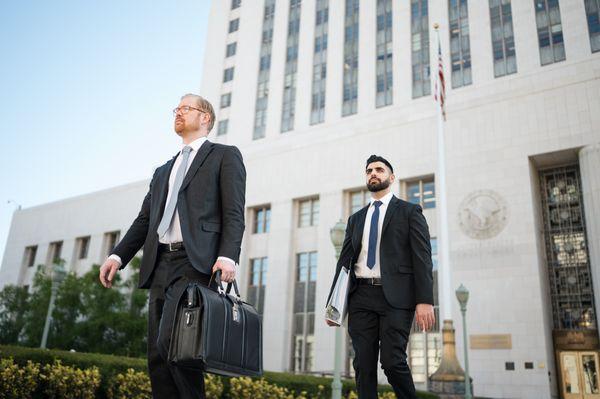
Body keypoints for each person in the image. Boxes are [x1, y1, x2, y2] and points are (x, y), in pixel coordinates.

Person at [99, 94, 246, 398]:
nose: (178, 113)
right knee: (157, 354)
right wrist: (117, 255)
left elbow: (234, 212)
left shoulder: (224, 155)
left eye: (185, 108)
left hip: (195, 263)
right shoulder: (163, 170)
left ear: (205, 118)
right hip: (159, 264)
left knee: (179, 347)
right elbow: (144, 220)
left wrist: (228, 256)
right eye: (176, 109)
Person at [326, 155, 435, 399]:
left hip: (396, 298)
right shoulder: (355, 220)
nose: (373, 173)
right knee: (362, 365)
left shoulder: (409, 212)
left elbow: (423, 259)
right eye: (369, 171)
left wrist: (425, 300)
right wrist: (333, 306)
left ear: (391, 177)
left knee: (392, 361)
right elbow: (344, 265)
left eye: (379, 169)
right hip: (361, 297)